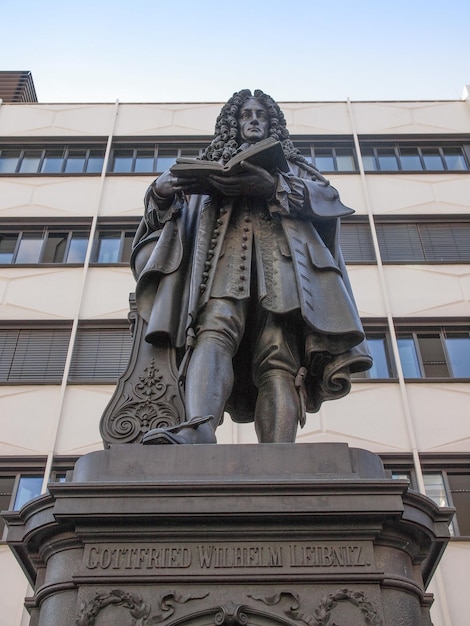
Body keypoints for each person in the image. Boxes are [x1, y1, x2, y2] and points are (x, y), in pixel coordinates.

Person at [131, 89, 372, 444]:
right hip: (221, 263)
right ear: (234, 123)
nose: (254, 119)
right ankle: (198, 428)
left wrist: (272, 185)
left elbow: (328, 200)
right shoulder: (208, 164)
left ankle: (279, 449)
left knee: (278, 355)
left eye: (261, 113)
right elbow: (168, 218)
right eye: (246, 114)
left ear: (273, 123)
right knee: (213, 333)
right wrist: (161, 191)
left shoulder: (296, 168)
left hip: (286, 267)